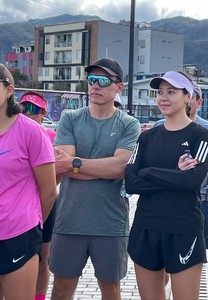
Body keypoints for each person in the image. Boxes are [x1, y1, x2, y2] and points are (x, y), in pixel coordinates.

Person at [49, 58, 140, 300]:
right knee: (60, 290)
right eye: (91, 80)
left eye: (103, 81)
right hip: (69, 219)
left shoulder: (129, 125)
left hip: (110, 223)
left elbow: (121, 168)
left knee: (111, 291)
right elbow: (60, 165)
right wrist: (101, 167)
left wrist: (76, 163)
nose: (95, 86)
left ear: (119, 87)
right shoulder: (70, 118)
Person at [125, 71, 208, 300]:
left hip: (183, 229)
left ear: (188, 96)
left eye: (171, 92)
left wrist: (149, 171)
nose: (163, 98)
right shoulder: (147, 137)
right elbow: (131, 182)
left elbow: (193, 180)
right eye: (160, 92)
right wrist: (175, 175)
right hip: (146, 227)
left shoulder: (201, 136)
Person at [0, 64, 57, 300]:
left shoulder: (31, 132)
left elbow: (49, 191)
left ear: (9, 90)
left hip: (19, 233)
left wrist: (31, 222)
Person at [155, 81, 208, 249]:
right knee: (161, 251)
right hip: (163, 196)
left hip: (197, 198)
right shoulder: (158, 127)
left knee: (191, 252)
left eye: (190, 96)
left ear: (197, 102)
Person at [19, 91, 57, 300]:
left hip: (45, 201)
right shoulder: (15, 132)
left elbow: (56, 176)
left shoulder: (52, 136)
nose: (27, 113)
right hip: (20, 206)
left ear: (43, 112)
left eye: (33, 109)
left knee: (43, 258)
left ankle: (39, 297)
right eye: (24, 108)